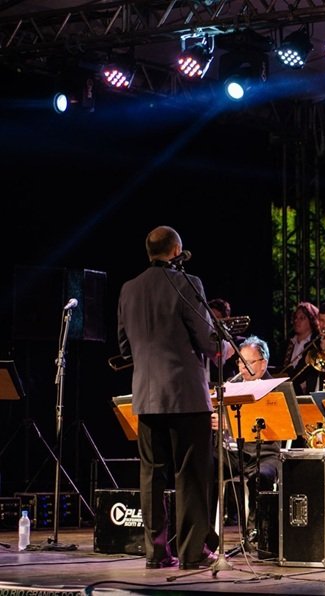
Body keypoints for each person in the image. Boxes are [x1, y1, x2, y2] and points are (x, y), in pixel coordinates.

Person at [117, 225, 220, 570]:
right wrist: (220, 347)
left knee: (151, 476)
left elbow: (123, 346)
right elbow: (207, 341)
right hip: (186, 396)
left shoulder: (128, 289)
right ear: (177, 251)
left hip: (145, 396)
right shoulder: (187, 283)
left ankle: (156, 553)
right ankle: (193, 553)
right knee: (190, 474)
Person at [211, 336, 280, 530]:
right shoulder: (230, 386)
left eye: (248, 362)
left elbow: (272, 425)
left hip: (262, 454)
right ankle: (204, 534)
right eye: (240, 361)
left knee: (261, 477)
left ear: (263, 363)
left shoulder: (275, 390)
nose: (242, 367)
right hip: (231, 454)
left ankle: (255, 534)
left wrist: (230, 424)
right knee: (201, 467)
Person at [280, 300, 320, 394]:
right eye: (296, 318)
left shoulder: (316, 344)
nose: (297, 321)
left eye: (302, 318)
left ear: (311, 320)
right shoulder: (287, 344)